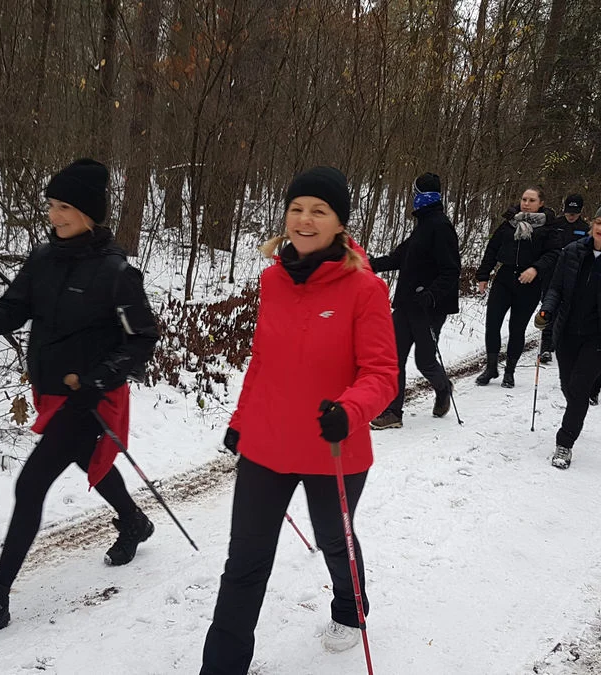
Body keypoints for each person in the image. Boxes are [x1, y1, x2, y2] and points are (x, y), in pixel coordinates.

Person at [0, 158, 160, 642]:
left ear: (90, 213)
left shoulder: (116, 272)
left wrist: (99, 378)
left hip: (90, 397)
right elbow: (9, 315)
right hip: (51, 392)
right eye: (51, 205)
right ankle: (133, 520)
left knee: (31, 484)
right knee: (84, 459)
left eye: (65, 207)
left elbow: (141, 339)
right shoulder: (42, 259)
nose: (54, 215)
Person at [202, 167, 397, 673]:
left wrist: (349, 411)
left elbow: (381, 374)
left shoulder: (365, 288)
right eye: (296, 209)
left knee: (335, 538)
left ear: (339, 224)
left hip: (334, 445)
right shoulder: (273, 280)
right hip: (267, 445)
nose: (304, 219)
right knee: (244, 564)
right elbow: (263, 361)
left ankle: (350, 609)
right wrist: (241, 418)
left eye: (319, 210)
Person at [533, 185, 601, 469]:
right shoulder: (572, 252)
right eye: (599, 222)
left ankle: (564, 443)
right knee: (570, 388)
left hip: (600, 337)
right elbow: (555, 288)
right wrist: (547, 310)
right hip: (566, 332)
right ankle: (575, 415)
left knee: (578, 389)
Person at [368, 172, 460, 430]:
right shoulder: (422, 227)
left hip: (429, 308)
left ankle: (443, 388)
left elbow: (451, 271)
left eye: (416, 194)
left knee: (425, 361)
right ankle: (393, 412)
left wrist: (430, 295)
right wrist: (366, 265)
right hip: (407, 304)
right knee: (393, 358)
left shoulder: (441, 227)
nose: (413, 199)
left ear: (424, 196)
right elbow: (398, 258)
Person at [474, 187, 560, 387]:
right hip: (505, 278)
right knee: (492, 323)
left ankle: (510, 371)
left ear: (541, 204)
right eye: (524, 199)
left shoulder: (548, 227)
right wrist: (483, 275)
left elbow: (554, 253)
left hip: (529, 282)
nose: (526, 203)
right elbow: (492, 249)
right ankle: (491, 367)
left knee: (517, 328)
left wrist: (535, 269)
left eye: (531, 200)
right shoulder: (509, 222)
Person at [539, 193, 590, 364]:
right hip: (551, 273)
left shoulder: (585, 228)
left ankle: (559, 341)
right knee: (548, 307)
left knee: (566, 310)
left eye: (574, 212)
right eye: (568, 211)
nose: (571, 215)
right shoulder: (555, 224)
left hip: (573, 276)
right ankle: (545, 346)